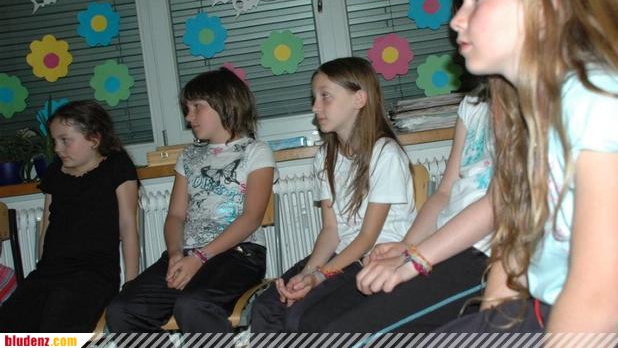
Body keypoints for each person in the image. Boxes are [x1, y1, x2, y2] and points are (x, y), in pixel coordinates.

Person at [436, 0, 618, 333]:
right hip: (543, 307)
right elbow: (515, 247)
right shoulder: (536, 110)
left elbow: (599, 299)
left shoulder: (596, 99)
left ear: (546, 1)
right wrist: (488, 328)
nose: (456, 20)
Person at [298, 81, 495, 333]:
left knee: (342, 332)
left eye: (325, 95)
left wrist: (413, 259)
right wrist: (407, 246)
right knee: (316, 321)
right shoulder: (472, 104)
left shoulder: (531, 102)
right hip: (440, 243)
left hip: (481, 253)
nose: (315, 106)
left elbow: (496, 205)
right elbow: (444, 192)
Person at [251, 56, 416, 332]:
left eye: (325, 96)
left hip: (374, 258)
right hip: (342, 254)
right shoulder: (325, 156)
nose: (315, 107)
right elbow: (331, 230)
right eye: (314, 98)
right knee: (267, 308)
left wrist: (319, 276)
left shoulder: (385, 154)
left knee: (302, 319)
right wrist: (307, 273)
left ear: (359, 99)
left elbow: (367, 237)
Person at [106, 67, 276, 333]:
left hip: (239, 254)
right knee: (122, 310)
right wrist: (175, 254)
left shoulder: (256, 151)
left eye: (197, 107)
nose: (188, 116)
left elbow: (251, 217)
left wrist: (199, 257)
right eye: (187, 108)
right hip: (186, 253)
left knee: (193, 304)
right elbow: (175, 216)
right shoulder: (188, 156)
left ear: (225, 104)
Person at [0, 100, 139, 332]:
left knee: (56, 329)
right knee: (10, 328)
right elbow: (47, 225)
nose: (57, 148)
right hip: (50, 272)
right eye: (54, 141)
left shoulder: (117, 166)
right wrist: (41, 269)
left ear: (94, 139)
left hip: (93, 274)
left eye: (65, 140)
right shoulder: (55, 171)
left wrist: (131, 284)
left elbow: (128, 225)